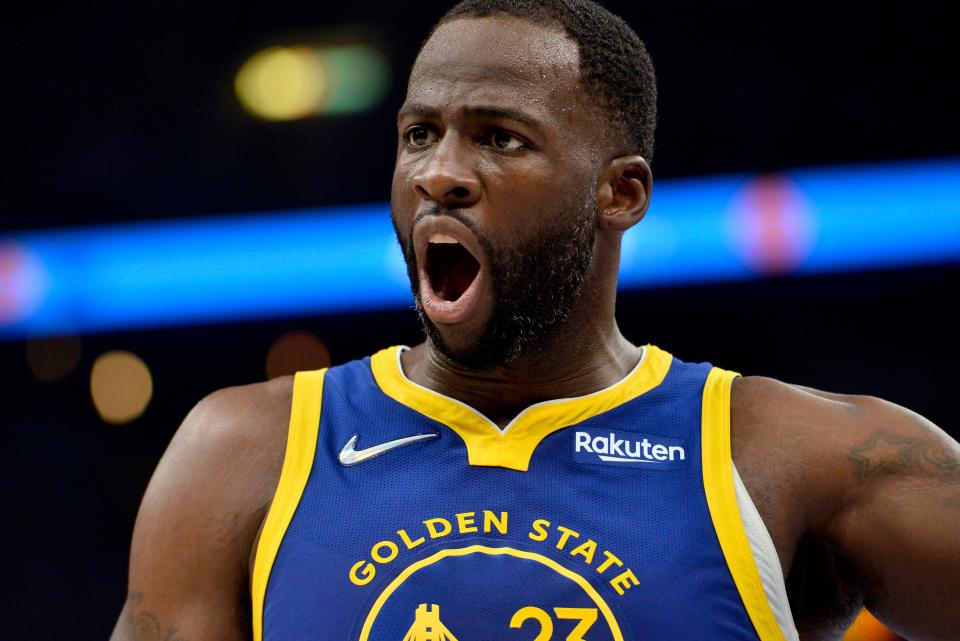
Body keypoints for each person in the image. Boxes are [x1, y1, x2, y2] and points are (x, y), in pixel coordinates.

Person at [110, 1, 960, 640]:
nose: (440, 173)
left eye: (500, 138)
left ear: (620, 193)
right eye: (419, 134)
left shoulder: (799, 455)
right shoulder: (241, 452)